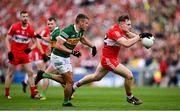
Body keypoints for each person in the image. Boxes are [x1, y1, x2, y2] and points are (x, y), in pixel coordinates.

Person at [73, 14, 153, 105]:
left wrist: (143, 38)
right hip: (108, 60)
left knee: (96, 77)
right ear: (122, 24)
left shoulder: (121, 29)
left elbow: (130, 34)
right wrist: (140, 37)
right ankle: (130, 97)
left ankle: (74, 86)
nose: (130, 27)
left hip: (107, 58)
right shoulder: (115, 31)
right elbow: (126, 44)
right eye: (128, 25)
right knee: (129, 76)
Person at [35, 13, 97, 107]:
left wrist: (93, 46)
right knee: (69, 82)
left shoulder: (80, 31)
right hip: (58, 57)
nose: (87, 25)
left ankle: (44, 74)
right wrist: (72, 52)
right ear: (80, 22)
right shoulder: (68, 30)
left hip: (65, 57)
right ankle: (65, 102)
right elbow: (58, 45)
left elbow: (82, 39)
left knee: (68, 81)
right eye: (86, 23)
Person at [4, 10, 48, 99]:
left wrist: (30, 49)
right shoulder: (15, 27)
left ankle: (33, 94)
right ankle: (7, 94)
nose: (25, 18)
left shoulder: (30, 29)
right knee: (10, 74)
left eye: (26, 16)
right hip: (15, 53)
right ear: (20, 17)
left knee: (31, 73)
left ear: (28, 18)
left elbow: (36, 42)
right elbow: (7, 39)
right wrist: (9, 52)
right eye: (23, 16)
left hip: (24, 54)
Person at [21, 20, 51, 100]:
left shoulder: (53, 32)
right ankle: (37, 93)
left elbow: (49, 45)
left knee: (41, 74)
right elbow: (37, 41)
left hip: (43, 54)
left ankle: (26, 82)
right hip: (38, 53)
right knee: (43, 73)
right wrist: (42, 53)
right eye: (49, 24)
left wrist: (48, 54)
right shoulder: (45, 30)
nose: (51, 25)